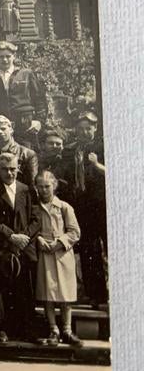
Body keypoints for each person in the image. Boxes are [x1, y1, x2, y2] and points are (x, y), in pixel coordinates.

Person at [0, 152, 38, 345]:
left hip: (23, 247)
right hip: (1, 246)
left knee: (25, 290)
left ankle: (27, 330)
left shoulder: (26, 189)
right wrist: (10, 235)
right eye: (5, 169)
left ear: (19, 168)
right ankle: (2, 330)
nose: (9, 173)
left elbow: (36, 219)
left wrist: (25, 237)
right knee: (0, 291)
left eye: (13, 169)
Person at [32, 170, 83, 347]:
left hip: (62, 255)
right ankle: (53, 329)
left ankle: (67, 330)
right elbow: (30, 228)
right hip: (44, 254)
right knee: (48, 294)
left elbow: (75, 232)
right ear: (36, 187)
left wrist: (60, 242)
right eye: (40, 186)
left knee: (65, 294)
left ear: (54, 186)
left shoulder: (64, 207)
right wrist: (37, 239)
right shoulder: (34, 207)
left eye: (47, 186)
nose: (44, 190)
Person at [66, 111, 107, 305]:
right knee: (89, 250)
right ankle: (95, 293)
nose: (84, 132)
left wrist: (96, 164)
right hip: (83, 206)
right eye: (80, 129)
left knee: (108, 247)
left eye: (88, 128)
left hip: (103, 204)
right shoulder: (73, 150)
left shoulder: (103, 145)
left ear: (95, 128)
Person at [0, 42, 48, 148]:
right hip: (2, 127)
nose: (5, 60)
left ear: (14, 57)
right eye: (1, 57)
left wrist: (39, 121)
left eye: (8, 56)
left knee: (27, 156)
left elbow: (40, 100)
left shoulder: (26, 74)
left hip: (25, 124)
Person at [0, 115, 38, 185]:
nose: (0, 132)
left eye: (3, 129)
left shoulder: (28, 154)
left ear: (11, 130)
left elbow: (32, 184)